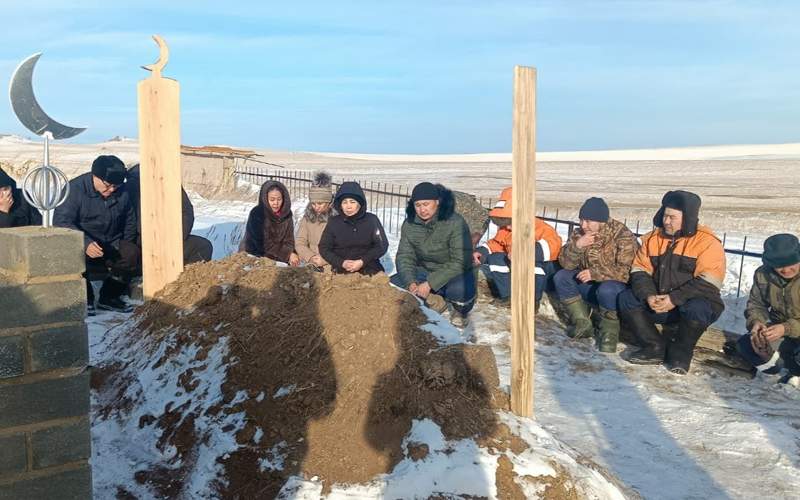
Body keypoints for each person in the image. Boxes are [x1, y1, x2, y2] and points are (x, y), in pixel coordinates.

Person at [618, 190, 726, 374]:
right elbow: (639, 269)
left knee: (698, 307)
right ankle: (654, 347)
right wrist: (649, 296)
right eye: (664, 215)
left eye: (672, 217)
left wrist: (673, 299)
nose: (666, 221)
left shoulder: (707, 243)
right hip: (659, 303)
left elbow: (709, 281)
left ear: (688, 218)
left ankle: (681, 353)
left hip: (691, 307)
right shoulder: (653, 239)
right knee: (626, 298)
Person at [53, 155, 140, 314]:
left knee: (130, 253)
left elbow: (130, 220)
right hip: (83, 243)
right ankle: (85, 299)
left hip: (111, 240)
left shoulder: (122, 192)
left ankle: (110, 297)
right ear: (95, 176)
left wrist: (126, 243)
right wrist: (85, 243)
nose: (112, 190)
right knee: (70, 256)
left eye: (116, 186)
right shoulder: (74, 190)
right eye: (108, 185)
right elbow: (62, 222)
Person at [554, 197, 638, 352]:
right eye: (581, 221)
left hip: (614, 290)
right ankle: (582, 323)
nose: (583, 225)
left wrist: (595, 273)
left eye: (588, 221)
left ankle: (609, 334)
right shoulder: (580, 233)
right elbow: (566, 264)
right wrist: (578, 246)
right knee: (562, 277)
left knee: (608, 289)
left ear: (601, 220)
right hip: (589, 286)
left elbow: (626, 270)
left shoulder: (622, 235)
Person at [392, 182, 475, 328]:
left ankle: (459, 310)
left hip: (453, 273)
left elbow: (460, 260)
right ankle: (436, 300)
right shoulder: (409, 224)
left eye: (426, 204)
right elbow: (405, 256)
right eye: (418, 205)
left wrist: (430, 283)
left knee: (460, 290)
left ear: (437, 202)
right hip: (425, 270)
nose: (422, 209)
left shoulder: (455, 222)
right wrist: (411, 282)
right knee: (395, 283)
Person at [474, 187, 562, 309]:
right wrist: (481, 252)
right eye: (506, 222)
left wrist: (524, 252)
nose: (508, 227)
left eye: (511, 222)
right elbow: (496, 244)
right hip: (517, 269)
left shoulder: (540, 228)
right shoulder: (506, 230)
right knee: (495, 258)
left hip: (544, 276)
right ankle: (508, 297)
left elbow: (554, 246)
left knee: (533, 262)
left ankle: (532, 302)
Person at [737, 233, 800, 383]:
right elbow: (756, 303)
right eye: (779, 266)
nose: (786, 270)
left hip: (790, 329)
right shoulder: (763, 274)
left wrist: (786, 328)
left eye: (791, 264)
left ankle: (794, 370)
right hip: (780, 330)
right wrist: (757, 322)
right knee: (747, 345)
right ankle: (780, 367)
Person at [125, 164, 213, 265]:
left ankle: (185, 278)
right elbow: (129, 220)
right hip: (141, 240)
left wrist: (176, 237)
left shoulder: (171, 183)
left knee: (203, 246)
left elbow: (186, 212)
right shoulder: (132, 186)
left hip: (170, 238)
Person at [318, 181, 388, 275]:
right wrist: (341, 263)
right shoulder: (334, 222)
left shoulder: (371, 220)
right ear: (340, 205)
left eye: (352, 202)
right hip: (342, 270)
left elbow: (381, 245)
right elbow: (324, 247)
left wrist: (362, 261)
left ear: (359, 203)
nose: (348, 206)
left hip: (369, 267)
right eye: (344, 202)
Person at [241, 180, 299, 265]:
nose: (276, 203)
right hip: (256, 256)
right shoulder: (257, 213)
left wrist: (292, 253)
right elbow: (263, 243)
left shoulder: (287, 214)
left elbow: (289, 240)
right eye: (272, 200)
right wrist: (288, 254)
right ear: (265, 199)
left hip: (280, 258)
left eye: (279, 199)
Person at [296, 171, 335, 271]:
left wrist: (326, 259)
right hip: (311, 265)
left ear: (329, 202)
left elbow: (343, 247)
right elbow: (300, 242)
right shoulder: (308, 218)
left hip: (332, 266)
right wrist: (311, 257)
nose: (316, 207)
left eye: (320, 203)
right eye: (313, 203)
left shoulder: (337, 220)